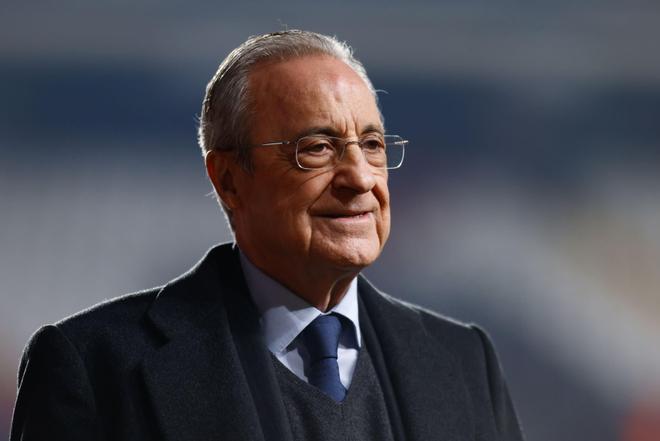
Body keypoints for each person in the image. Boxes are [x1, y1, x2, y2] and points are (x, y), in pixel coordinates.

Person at [10, 30, 524, 441]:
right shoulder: (94, 366)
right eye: (317, 148)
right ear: (229, 180)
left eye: (372, 145)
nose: (360, 178)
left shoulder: (464, 360)